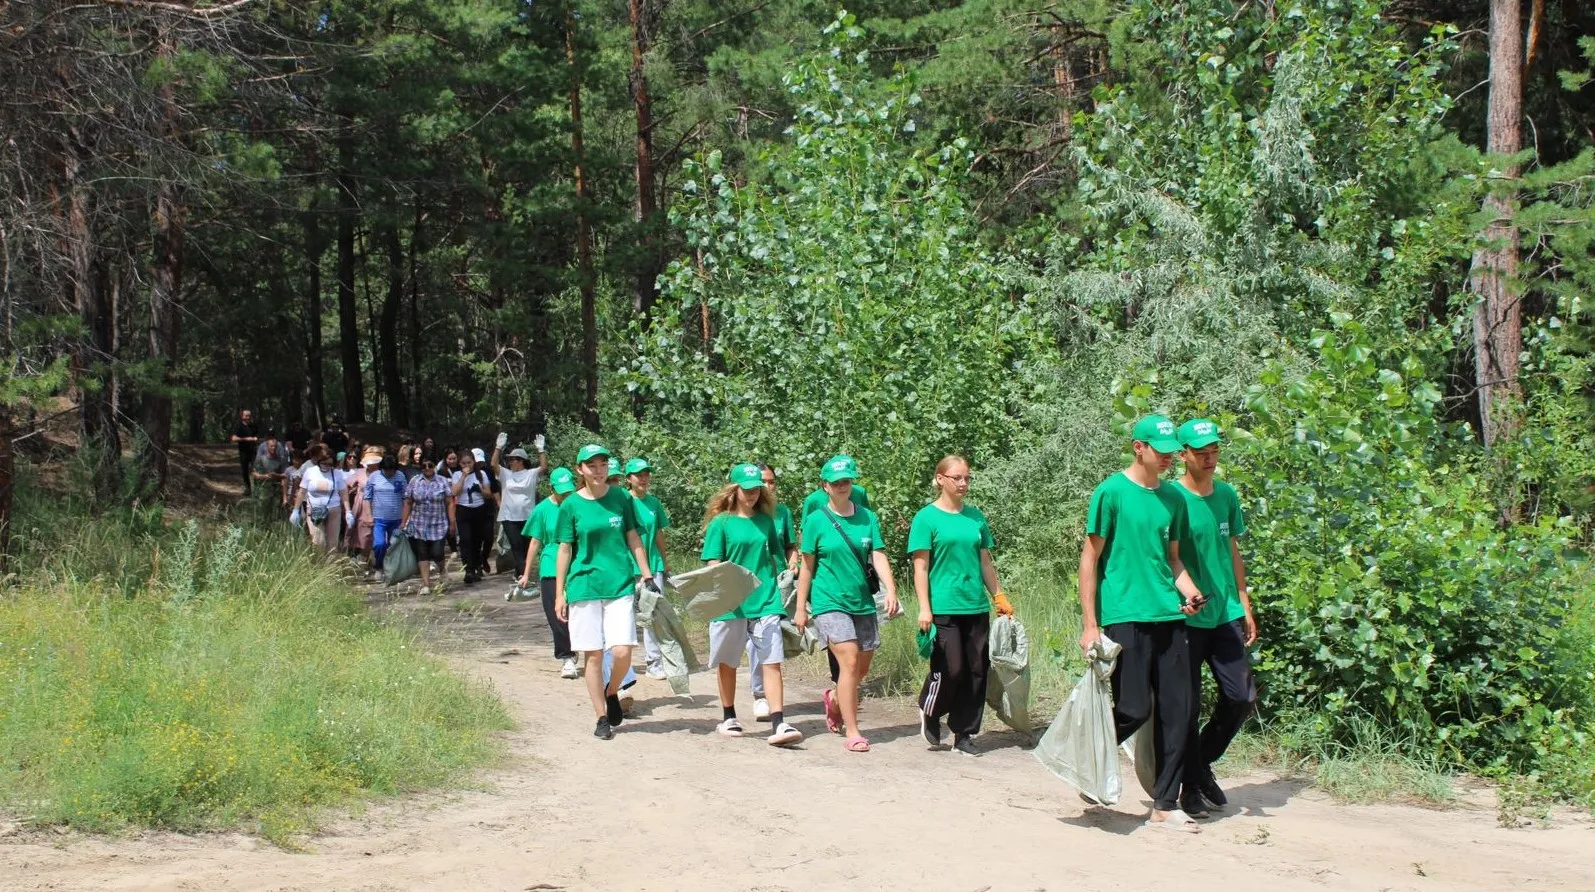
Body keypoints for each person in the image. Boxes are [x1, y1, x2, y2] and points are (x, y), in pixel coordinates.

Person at [1078, 414, 1207, 833]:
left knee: (1179, 710)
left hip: (1169, 618)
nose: (1168, 458)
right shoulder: (1111, 492)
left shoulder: (1174, 499)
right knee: (1134, 709)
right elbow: (1089, 559)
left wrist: (1189, 592)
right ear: (1138, 447)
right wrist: (1090, 623)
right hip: (1124, 615)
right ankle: (1087, 759)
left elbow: (1172, 560)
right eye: (1160, 450)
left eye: (1172, 452)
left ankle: (1165, 804)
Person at [1173, 418, 1257, 815]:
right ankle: (1189, 785)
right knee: (1187, 707)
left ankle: (1201, 763)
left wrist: (1244, 601)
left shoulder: (1226, 495)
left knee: (1241, 697)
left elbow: (1232, 550)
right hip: (1186, 618)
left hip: (1225, 612)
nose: (1209, 460)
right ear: (1183, 455)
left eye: (1214, 452)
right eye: (1201, 453)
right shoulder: (1170, 497)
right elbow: (1162, 558)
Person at [793, 454, 899, 752]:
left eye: (847, 481)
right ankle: (853, 731)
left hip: (863, 602)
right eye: (836, 482)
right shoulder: (816, 521)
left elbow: (877, 555)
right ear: (825, 486)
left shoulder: (867, 517)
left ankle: (836, 698)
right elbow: (807, 568)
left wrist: (890, 589)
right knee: (849, 662)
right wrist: (801, 608)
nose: (842, 486)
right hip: (829, 601)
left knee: (860, 668)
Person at [910, 456, 1014, 757]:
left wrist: (998, 596)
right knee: (950, 669)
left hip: (975, 605)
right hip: (943, 606)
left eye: (967, 478)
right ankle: (930, 709)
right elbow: (921, 568)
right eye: (957, 478)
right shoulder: (926, 518)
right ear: (940, 479)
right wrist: (924, 608)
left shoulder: (975, 517)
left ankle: (964, 732)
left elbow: (984, 560)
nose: (963, 483)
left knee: (976, 670)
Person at [554, 444, 655, 740]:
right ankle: (601, 717)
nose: (598, 471)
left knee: (622, 649)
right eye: (592, 466)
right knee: (594, 655)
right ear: (580, 470)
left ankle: (612, 691)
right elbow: (564, 548)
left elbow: (632, 535)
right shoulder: (570, 505)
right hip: (584, 585)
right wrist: (560, 593)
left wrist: (646, 572)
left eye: (603, 465)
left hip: (619, 582)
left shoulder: (621, 498)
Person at [703, 463, 804, 747]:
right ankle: (729, 716)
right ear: (734, 489)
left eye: (756, 490)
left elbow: (777, 555)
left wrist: (785, 581)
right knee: (728, 662)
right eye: (746, 490)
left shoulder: (766, 521)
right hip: (731, 603)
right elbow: (712, 561)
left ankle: (779, 722)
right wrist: (726, 576)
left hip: (766, 600)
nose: (752, 495)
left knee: (772, 661)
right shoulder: (721, 523)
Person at [518, 467, 580, 679]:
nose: (565, 495)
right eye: (561, 491)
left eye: (568, 491)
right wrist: (526, 573)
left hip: (576, 564)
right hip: (550, 565)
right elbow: (535, 542)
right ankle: (567, 657)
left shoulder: (576, 505)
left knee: (578, 613)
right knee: (558, 615)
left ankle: (581, 647)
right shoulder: (542, 509)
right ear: (551, 488)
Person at [748, 463, 799, 717]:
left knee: (772, 638)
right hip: (749, 583)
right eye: (762, 482)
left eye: (771, 482)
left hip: (777, 582)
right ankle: (759, 694)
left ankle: (768, 693)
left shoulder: (782, 513)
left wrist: (793, 560)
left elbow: (790, 545)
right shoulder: (742, 513)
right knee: (753, 642)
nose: (767, 487)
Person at [625, 457, 670, 679]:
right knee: (628, 617)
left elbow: (659, 533)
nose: (643, 479)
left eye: (646, 474)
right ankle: (624, 665)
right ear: (628, 479)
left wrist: (665, 559)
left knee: (652, 614)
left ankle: (654, 662)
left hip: (654, 566)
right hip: (628, 568)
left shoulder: (654, 503)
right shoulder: (624, 502)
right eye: (638, 475)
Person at [492, 432, 549, 580]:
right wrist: (498, 447)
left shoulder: (531, 474)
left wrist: (541, 450)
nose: (510, 462)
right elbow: (493, 464)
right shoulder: (505, 474)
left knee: (525, 548)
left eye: (513, 459)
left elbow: (543, 467)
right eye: (509, 459)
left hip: (528, 517)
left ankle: (519, 574)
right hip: (509, 517)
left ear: (522, 461)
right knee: (516, 547)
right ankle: (525, 577)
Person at [402, 458, 454, 595]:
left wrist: (452, 521)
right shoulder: (414, 481)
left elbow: (449, 502)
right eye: (423, 466)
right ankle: (426, 584)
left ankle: (442, 569)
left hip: (438, 524)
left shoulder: (442, 481)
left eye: (430, 465)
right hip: (419, 523)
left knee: (437, 552)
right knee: (422, 554)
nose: (427, 468)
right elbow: (408, 502)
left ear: (434, 467)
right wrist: (403, 522)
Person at [451, 448, 495, 584]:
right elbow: (455, 492)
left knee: (477, 539)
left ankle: (476, 565)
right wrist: (464, 477)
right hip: (463, 509)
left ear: (473, 462)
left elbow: (489, 494)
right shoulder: (457, 475)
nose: (466, 466)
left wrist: (480, 489)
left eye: (468, 463)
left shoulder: (481, 474)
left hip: (479, 509)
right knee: (465, 539)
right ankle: (468, 569)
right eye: (463, 463)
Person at [298, 444, 350, 555]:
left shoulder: (337, 474)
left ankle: (330, 568)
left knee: (332, 544)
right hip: (314, 510)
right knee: (318, 542)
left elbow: (343, 492)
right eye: (324, 463)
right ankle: (318, 565)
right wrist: (295, 510)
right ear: (319, 461)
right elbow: (302, 491)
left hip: (333, 510)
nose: (326, 466)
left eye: (330, 464)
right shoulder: (310, 472)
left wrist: (348, 511)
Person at [365, 455, 407, 578]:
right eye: (387, 470)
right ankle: (378, 566)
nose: (390, 472)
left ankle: (391, 569)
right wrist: (368, 515)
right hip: (379, 518)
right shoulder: (374, 477)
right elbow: (367, 497)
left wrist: (406, 518)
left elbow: (406, 498)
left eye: (392, 470)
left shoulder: (400, 476)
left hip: (396, 518)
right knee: (379, 544)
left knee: (393, 545)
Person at [251, 431, 291, 506]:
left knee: (276, 506)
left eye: (275, 446)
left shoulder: (280, 460)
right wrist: (263, 476)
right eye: (271, 446)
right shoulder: (261, 459)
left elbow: (285, 474)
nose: (273, 448)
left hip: (277, 487)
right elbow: (254, 473)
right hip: (264, 487)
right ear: (267, 446)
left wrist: (276, 476)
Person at [230, 409, 260, 494]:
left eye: (249, 416)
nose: (248, 417)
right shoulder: (238, 426)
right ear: (242, 416)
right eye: (246, 416)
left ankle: (257, 489)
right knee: (245, 470)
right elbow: (233, 438)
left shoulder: (254, 426)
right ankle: (248, 488)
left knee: (256, 469)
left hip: (253, 451)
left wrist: (255, 439)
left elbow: (257, 437)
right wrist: (246, 439)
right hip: (243, 451)